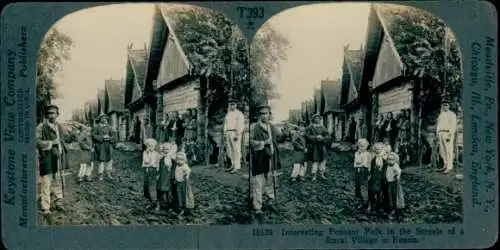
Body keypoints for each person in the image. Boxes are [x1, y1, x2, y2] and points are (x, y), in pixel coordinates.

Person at [249, 105, 284, 214]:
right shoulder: (254, 127)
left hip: (271, 157)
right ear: (259, 115)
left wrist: (286, 133)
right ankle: (257, 206)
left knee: (271, 181)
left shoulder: (272, 127)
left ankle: (270, 202)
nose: (264, 115)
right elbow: (251, 142)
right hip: (259, 157)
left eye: (266, 113)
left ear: (270, 115)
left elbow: (281, 138)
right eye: (262, 113)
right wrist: (263, 143)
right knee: (259, 182)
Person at [36, 105, 68, 215]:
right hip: (46, 157)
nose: (51, 115)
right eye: (49, 113)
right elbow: (36, 141)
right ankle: (45, 207)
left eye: (53, 113)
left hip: (57, 157)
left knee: (58, 180)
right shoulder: (41, 127)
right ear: (46, 115)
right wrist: (50, 143)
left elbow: (63, 139)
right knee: (46, 181)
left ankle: (58, 202)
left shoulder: (59, 126)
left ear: (57, 115)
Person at [92, 114, 117, 181]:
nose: (104, 119)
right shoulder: (96, 127)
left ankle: (108, 174)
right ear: (100, 119)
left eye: (105, 118)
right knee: (101, 160)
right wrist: (102, 137)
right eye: (103, 118)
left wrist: (109, 138)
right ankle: (100, 175)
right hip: (101, 145)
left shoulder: (109, 127)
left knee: (110, 160)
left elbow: (114, 136)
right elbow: (94, 135)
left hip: (108, 145)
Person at [305, 114, 330, 181]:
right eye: (316, 118)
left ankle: (321, 174)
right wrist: (315, 137)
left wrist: (322, 138)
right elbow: (307, 136)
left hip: (322, 146)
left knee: (323, 160)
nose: (317, 120)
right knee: (315, 160)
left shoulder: (323, 127)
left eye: (319, 118)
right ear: (313, 119)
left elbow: (328, 135)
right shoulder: (310, 127)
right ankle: (314, 175)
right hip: (314, 146)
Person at [223, 99, 245, 173]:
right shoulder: (228, 114)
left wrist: (237, 134)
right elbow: (226, 124)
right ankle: (232, 165)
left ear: (236, 105)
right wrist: (225, 132)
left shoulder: (239, 114)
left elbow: (241, 125)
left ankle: (237, 167)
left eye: (233, 104)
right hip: (228, 132)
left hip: (235, 132)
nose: (231, 106)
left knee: (236, 150)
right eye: (230, 104)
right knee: (230, 150)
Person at [436, 102, 457, 173]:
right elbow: (439, 124)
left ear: (449, 106)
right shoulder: (441, 114)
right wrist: (437, 133)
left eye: (446, 105)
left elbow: (453, 126)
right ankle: (445, 165)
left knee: (448, 150)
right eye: (443, 105)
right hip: (441, 133)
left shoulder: (452, 114)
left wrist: (450, 135)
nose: (445, 107)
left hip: (447, 133)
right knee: (442, 151)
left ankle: (449, 167)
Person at [368, 143, 388, 214]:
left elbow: (385, 169)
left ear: (382, 149)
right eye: (376, 149)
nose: (378, 150)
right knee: (373, 190)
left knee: (380, 192)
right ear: (374, 150)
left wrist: (384, 176)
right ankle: (372, 205)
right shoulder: (373, 159)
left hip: (381, 177)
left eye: (379, 149)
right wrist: (370, 175)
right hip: (374, 176)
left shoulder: (384, 159)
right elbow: (371, 168)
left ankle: (380, 206)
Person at [157, 142, 177, 211]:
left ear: (170, 150)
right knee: (161, 191)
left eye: (167, 149)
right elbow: (158, 167)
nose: (165, 150)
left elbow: (175, 167)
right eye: (164, 149)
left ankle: (170, 205)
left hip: (169, 177)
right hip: (162, 177)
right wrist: (157, 174)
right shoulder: (161, 158)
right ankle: (159, 204)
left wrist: (173, 175)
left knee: (170, 192)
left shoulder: (172, 159)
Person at [142, 138, 161, 210]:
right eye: (148, 146)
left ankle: (155, 201)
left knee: (152, 186)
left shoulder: (156, 154)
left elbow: (157, 164)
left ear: (154, 146)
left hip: (153, 171)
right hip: (147, 171)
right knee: (146, 186)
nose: (150, 148)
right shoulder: (145, 153)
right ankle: (151, 201)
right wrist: (147, 153)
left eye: (152, 146)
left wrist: (157, 172)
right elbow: (145, 162)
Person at [353, 139, 371, 206]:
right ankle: (359, 199)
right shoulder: (356, 153)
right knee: (357, 184)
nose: (361, 148)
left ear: (366, 146)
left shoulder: (367, 154)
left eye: (363, 146)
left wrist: (359, 164)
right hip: (358, 170)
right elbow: (355, 164)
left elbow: (365, 164)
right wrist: (358, 164)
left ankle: (365, 200)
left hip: (364, 171)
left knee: (363, 185)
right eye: (360, 146)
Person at [385, 152, 402, 218]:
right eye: (389, 159)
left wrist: (397, 176)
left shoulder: (395, 166)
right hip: (389, 182)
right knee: (390, 194)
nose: (390, 161)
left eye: (392, 160)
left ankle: (395, 207)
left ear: (395, 160)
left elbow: (399, 171)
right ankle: (391, 206)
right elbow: (387, 173)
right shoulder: (388, 166)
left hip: (394, 183)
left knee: (394, 195)